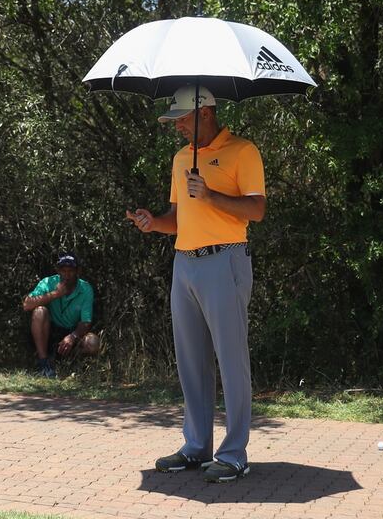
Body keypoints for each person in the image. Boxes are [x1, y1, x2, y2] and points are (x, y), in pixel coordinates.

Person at [125, 85, 265, 483]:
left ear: (205, 113)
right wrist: (153, 223)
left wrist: (211, 194)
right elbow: (177, 217)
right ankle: (196, 446)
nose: (177, 128)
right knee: (191, 361)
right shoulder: (181, 159)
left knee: (231, 359)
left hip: (226, 260)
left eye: (182, 119)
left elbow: (256, 209)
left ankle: (234, 453)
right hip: (184, 263)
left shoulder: (243, 151)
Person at [22, 254, 101, 378]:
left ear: (77, 271)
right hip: (49, 331)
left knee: (92, 341)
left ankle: (72, 365)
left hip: (71, 332)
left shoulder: (85, 288)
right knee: (39, 311)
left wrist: (73, 336)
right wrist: (54, 294)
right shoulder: (48, 282)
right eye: (63, 271)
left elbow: (86, 321)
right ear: (58, 271)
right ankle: (44, 363)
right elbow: (27, 305)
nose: (67, 275)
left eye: (70, 271)